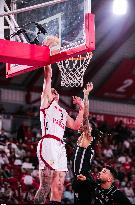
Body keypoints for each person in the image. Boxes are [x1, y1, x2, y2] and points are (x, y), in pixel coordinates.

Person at [34, 65, 84, 204]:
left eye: (56, 91)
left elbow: (75, 126)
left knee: (59, 187)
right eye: (51, 91)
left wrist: (81, 109)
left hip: (60, 146)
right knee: (45, 185)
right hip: (48, 142)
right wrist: (48, 61)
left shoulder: (63, 112)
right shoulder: (45, 104)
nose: (54, 92)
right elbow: (47, 75)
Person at [72, 82, 103, 204]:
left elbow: (86, 116)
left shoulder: (88, 138)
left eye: (87, 126)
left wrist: (86, 95)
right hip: (80, 176)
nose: (84, 125)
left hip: (83, 176)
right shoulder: (83, 138)